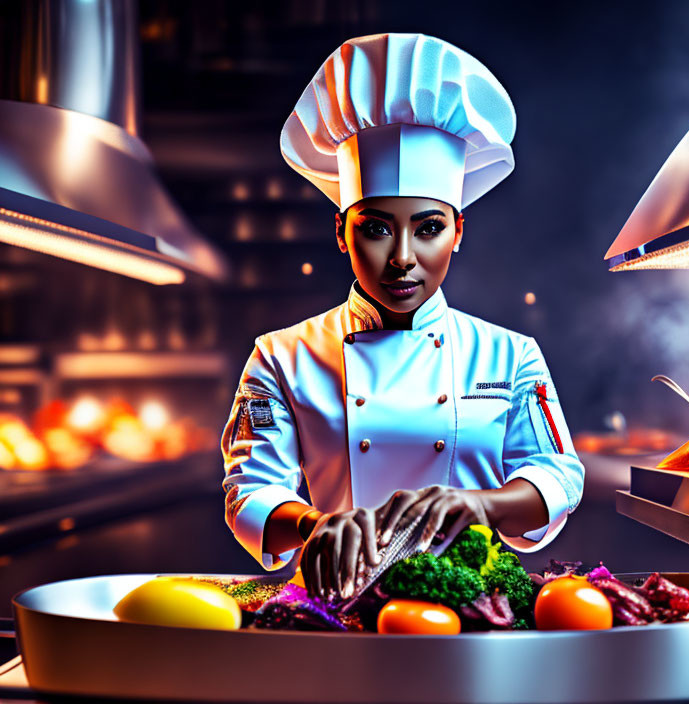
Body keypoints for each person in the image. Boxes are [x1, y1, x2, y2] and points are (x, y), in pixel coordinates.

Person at [221, 33, 585, 602]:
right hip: (334, 606)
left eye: (429, 227)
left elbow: (560, 475)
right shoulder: (281, 355)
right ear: (341, 232)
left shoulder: (511, 355)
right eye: (375, 227)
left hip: (475, 612)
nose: (402, 258)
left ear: (459, 232)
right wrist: (315, 525)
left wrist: (480, 504)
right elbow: (250, 491)